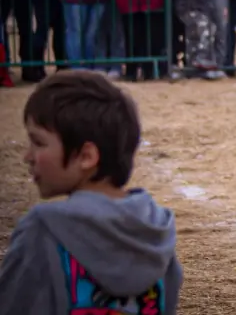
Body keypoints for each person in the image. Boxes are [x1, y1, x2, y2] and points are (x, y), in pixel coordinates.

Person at [0, 71, 182, 312]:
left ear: (86, 156)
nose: (28, 156)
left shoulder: (43, 229)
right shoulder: (156, 233)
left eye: (39, 142)